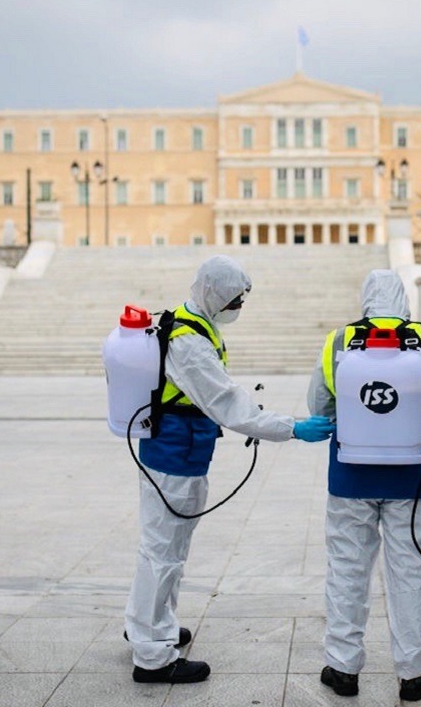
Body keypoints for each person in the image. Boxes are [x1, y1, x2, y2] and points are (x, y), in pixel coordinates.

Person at [126, 255, 334, 684]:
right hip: (173, 456)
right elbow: (226, 405)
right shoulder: (189, 342)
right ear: (215, 295)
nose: (239, 306)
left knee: (165, 549)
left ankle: (151, 626)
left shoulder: (193, 321)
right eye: (234, 299)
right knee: (162, 552)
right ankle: (151, 655)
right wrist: (291, 427)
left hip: (180, 451)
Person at [306, 270, 421, 702]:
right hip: (414, 480)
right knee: (411, 571)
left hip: (350, 478)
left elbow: (319, 406)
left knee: (348, 570)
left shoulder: (339, 341)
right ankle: (416, 672)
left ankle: (342, 667)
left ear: (365, 299)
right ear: (404, 300)